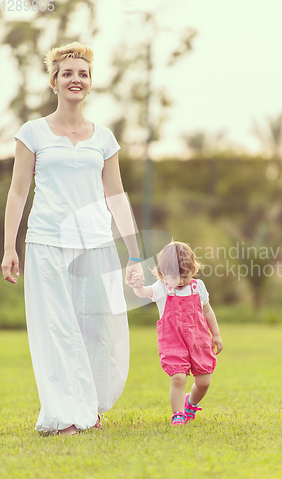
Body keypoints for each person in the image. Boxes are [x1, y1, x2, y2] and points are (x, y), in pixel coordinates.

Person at [1, 42, 143, 435]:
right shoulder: (32, 133)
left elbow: (116, 195)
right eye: (67, 73)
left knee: (98, 328)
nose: (75, 79)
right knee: (58, 327)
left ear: (90, 82)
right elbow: (17, 192)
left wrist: (135, 254)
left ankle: (90, 407)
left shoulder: (104, 138)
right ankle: (65, 414)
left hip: (96, 244)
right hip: (46, 242)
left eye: (82, 73)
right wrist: (9, 247)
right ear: (55, 82)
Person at [131, 241, 223, 426]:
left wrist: (216, 335)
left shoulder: (199, 287)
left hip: (199, 341)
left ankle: (191, 403)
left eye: (185, 275)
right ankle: (178, 414)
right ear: (162, 274)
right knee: (179, 377)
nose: (180, 281)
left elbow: (208, 311)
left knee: (204, 381)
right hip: (173, 342)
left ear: (193, 270)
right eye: (173, 276)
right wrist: (137, 286)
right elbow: (143, 293)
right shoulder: (161, 288)